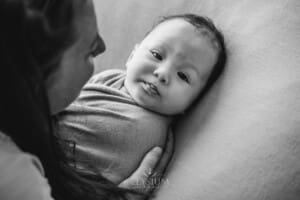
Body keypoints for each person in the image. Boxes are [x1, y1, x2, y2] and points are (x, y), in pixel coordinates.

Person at [0, 0, 173, 199]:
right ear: (35, 72)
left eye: (184, 76)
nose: (103, 46)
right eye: (90, 50)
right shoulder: (17, 181)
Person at [55, 13, 227, 184]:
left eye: (183, 75)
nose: (162, 74)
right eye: (157, 55)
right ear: (132, 56)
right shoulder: (110, 77)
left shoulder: (150, 134)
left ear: (192, 103)